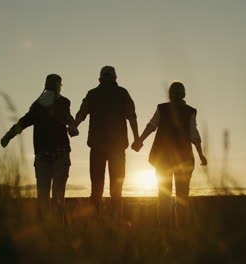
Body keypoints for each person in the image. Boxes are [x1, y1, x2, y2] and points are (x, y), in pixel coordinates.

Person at [0, 74, 78, 223]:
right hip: (61, 153)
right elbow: (67, 117)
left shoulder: (36, 106)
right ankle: (59, 230)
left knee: (42, 197)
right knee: (58, 196)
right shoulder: (63, 102)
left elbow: (23, 123)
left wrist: (8, 136)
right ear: (58, 86)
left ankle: (44, 231)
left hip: (42, 155)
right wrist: (72, 126)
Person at [132, 81, 207, 229]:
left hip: (163, 160)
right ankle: (181, 230)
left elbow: (151, 126)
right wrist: (201, 155)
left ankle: (164, 230)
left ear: (170, 94)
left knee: (164, 195)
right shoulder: (190, 111)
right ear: (183, 94)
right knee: (182, 196)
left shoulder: (162, 108)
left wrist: (140, 140)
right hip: (184, 161)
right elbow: (195, 136)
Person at [74, 66, 139, 219]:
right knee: (116, 190)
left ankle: (98, 223)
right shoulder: (122, 93)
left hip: (98, 147)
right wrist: (136, 138)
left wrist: (74, 126)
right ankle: (115, 222)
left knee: (96, 188)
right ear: (115, 78)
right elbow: (132, 116)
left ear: (99, 79)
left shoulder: (93, 94)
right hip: (116, 148)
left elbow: (81, 113)